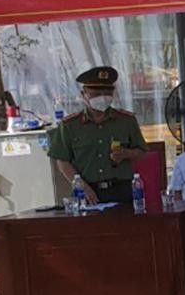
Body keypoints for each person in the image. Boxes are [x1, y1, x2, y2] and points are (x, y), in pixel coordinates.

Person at [47, 65, 148, 204]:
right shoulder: (70, 125)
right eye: (96, 94)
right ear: (84, 94)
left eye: (107, 93)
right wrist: (82, 186)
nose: (102, 98)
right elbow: (62, 161)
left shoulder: (126, 121)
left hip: (121, 190)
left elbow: (142, 152)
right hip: (87, 191)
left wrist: (126, 153)